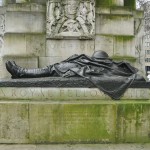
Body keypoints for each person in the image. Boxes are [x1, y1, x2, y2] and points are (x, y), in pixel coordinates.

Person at [5, 50, 145, 100]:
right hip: (82, 67)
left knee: (54, 68)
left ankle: (22, 73)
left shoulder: (119, 68)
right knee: (55, 67)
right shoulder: (117, 66)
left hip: (82, 69)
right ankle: (22, 72)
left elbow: (139, 78)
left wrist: (82, 71)